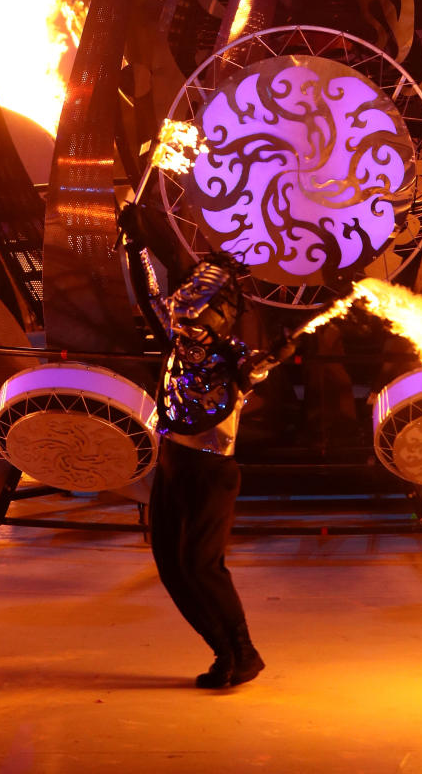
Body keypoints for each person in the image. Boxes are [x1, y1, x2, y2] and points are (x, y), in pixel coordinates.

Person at [120, 209, 296, 690]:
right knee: (172, 565)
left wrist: (274, 358)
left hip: (209, 470)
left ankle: (243, 652)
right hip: (173, 461)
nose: (186, 324)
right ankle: (226, 654)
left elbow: (255, 370)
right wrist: (136, 243)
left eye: (197, 318)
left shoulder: (234, 355)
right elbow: (149, 294)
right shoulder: (175, 335)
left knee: (200, 563)